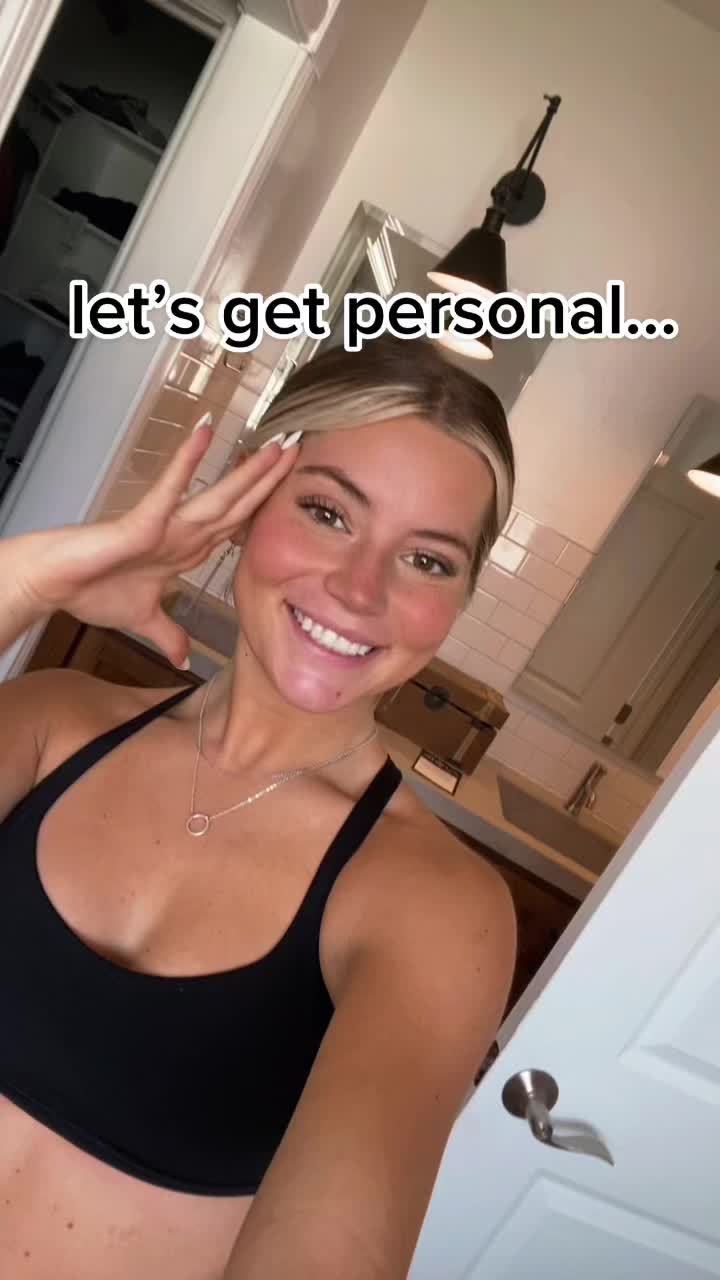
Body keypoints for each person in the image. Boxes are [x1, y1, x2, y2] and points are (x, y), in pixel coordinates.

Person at [0, 335, 517, 1280]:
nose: (361, 589)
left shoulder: (434, 906)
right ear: (244, 499)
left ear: (460, 600)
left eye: (428, 560)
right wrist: (26, 583)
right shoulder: (50, 725)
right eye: (327, 512)